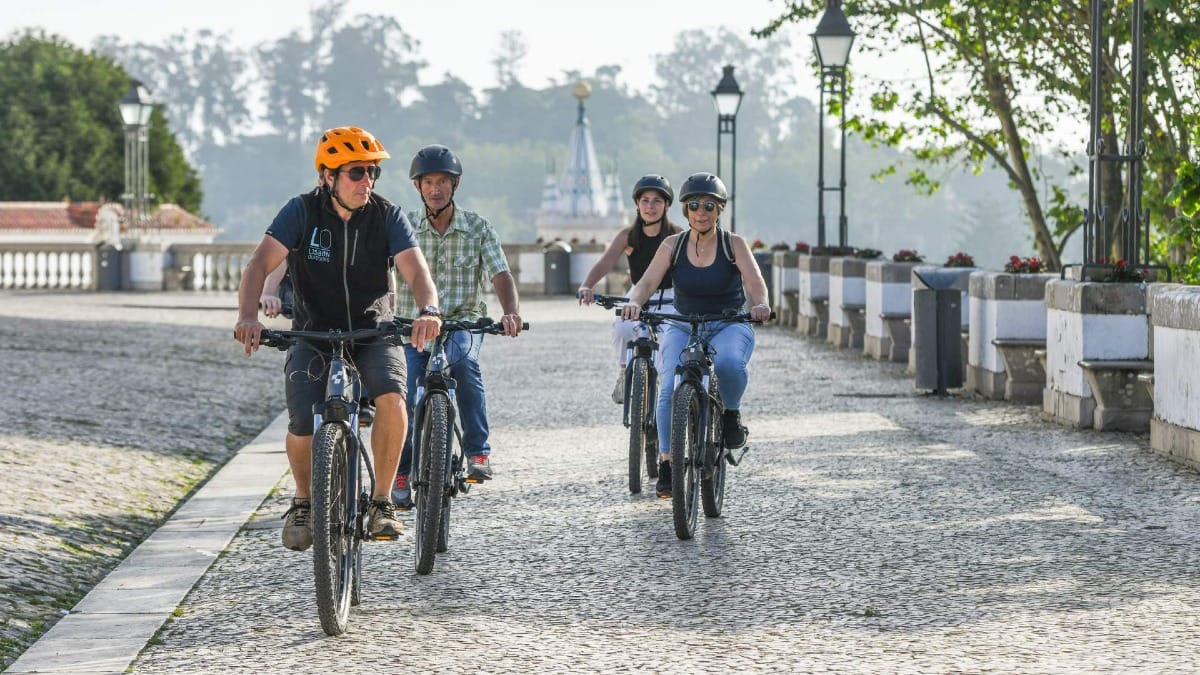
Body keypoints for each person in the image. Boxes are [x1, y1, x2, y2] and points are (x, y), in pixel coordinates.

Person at [234, 126, 443, 551]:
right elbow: (259, 264)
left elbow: (417, 272)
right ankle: (304, 501)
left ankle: (381, 501)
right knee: (300, 421)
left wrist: (429, 310)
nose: (366, 182)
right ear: (327, 177)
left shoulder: (387, 215)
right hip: (313, 332)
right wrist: (247, 315)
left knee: (392, 398)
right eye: (356, 173)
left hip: (373, 331)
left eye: (371, 173)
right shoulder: (301, 212)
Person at [620, 172, 770, 498]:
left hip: (728, 323)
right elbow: (646, 283)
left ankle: (730, 414)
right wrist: (634, 302)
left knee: (730, 363)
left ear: (720, 210)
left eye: (709, 206)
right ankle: (667, 462)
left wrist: (761, 304)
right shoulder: (672, 246)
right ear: (685, 211)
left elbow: (755, 283)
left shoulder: (734, 244)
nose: (701, 212)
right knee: (670, 385)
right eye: (694, 206)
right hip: (683, 324)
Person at [391, 143, 523, 508]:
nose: (436, 189)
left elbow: (501, 274)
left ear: (455, 185)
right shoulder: (403, 228)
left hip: (462, 322)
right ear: (418, 186)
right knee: (405, 394)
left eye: (443, 182)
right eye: (428, 182)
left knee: (464, 364)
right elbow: (378, 274)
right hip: (413, 326)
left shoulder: (478, 227)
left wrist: (510, 311)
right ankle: (401, 471)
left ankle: (478, 452)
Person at [577, 174, 682, 404]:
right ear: (637, 204)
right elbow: (606, 262)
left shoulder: (677, 235)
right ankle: (624, 372)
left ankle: (668, 394)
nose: (650, 206)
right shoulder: (629, 236)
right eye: (645, 200)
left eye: (657, 201)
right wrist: (587, 285)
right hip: (637, 294)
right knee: (622, 329)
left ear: (667, 205)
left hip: (670, 296)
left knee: (670, 345)